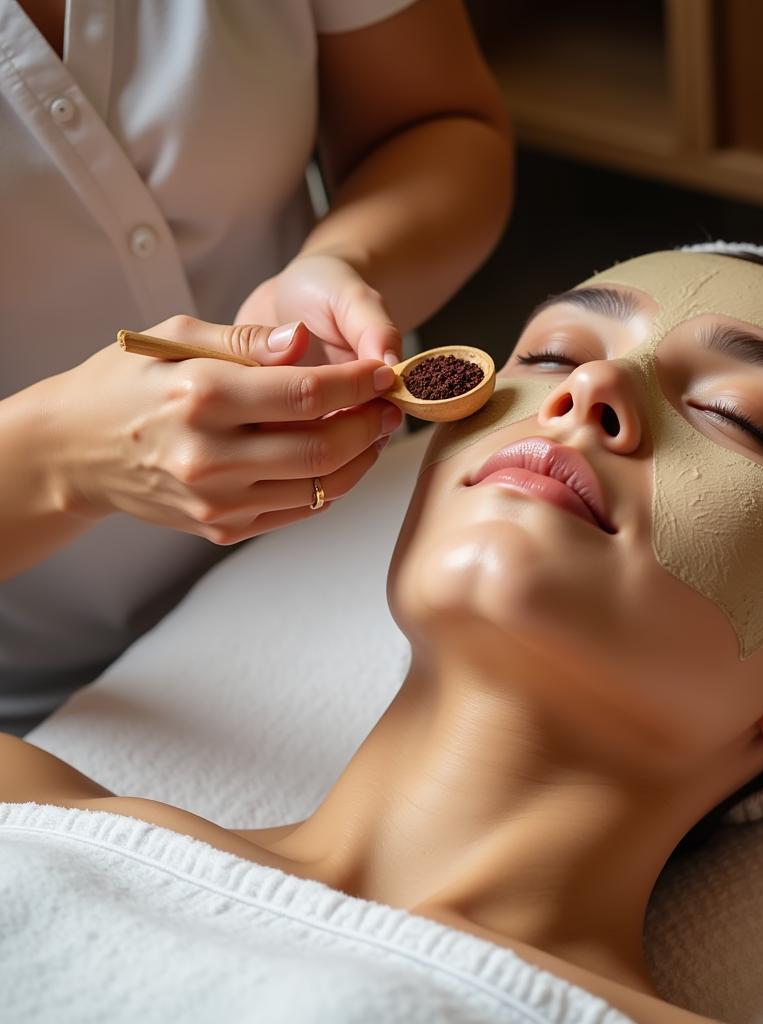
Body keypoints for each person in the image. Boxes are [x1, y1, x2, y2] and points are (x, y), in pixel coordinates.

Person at [0, 247, 763, 1023]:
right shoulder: (30, 816)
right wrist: (49, 456)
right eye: (552, 355)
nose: (589, 392)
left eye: (734, 415)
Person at [0, 0, 513, 733]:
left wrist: (346, 261)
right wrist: (59, 458)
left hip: (359, 553)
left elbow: (435, 124)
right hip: (61, 702)